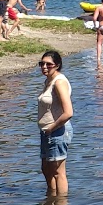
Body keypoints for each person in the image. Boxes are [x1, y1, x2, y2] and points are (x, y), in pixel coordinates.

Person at [36, 50, 74, 195]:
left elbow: (68, 112)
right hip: (47, 131)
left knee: (58, 172)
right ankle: (51, 199)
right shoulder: (48, 81)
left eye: (48, 64)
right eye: (42, 64)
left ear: (57, 65)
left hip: (57, 131)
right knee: (46, 169)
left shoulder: (59, 82)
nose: (44, 67)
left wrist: (51, 128)